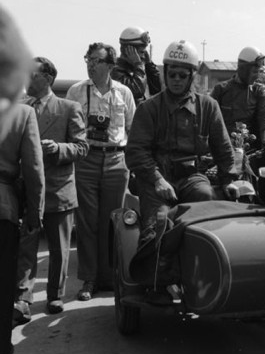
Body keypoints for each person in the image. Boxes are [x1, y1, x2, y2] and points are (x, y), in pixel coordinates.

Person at [125, 40, 239, 294]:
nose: (176, 79)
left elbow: (224, 149)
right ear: (165, 74)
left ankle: (205, 275)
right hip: (157, 178)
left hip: (192, 176)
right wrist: (157, 180)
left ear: (192, 76)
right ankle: (156, 280)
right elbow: (136, 152)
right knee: (158, 223)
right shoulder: (149, 108)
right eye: (172, 74)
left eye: (182, 75)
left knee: (208, 205)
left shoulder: (208, 106)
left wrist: (229, 179)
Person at [14, 57, 88, 320]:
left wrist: (59, 149)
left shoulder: (69, 108)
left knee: (58, 249)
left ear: (47, 77)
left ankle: (55, 295)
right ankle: (22, 298)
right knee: (26, 246)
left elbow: (81, 146)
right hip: (27, 190)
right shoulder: (20, 109)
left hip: (58, 189)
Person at [66, 42, 135, 301]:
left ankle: (110, 278)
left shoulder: (124, 93)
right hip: (86, 159)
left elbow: (133, 128)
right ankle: (89, 279)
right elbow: (68, 127)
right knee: (86, 222)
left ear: (110, 65)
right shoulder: (75, 91)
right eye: (88, 59)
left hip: (117, 160)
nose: (90, 64)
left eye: (96, 60)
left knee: (113, 222)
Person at [0, 5, 44, 354]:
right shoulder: (24, 112)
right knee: (3, 280)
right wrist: (35, 214)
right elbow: (33, 171)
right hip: (4, 208)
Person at [211, 46, 265, 148]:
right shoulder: (221, 90)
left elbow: (264, 120)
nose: (257, 76)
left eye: (259, 72)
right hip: (224, 148)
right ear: (244, 70)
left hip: (250, 150)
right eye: (254, 72)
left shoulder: (259, 91)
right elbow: (210, 121)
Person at [111, 26, 163, 105]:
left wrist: (149, 65)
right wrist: (138, 64)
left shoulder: (137, 70)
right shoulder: (115, 71)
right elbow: (137, 90)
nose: (143, 56)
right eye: (141, 52)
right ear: (128, 51)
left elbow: (156, 89)